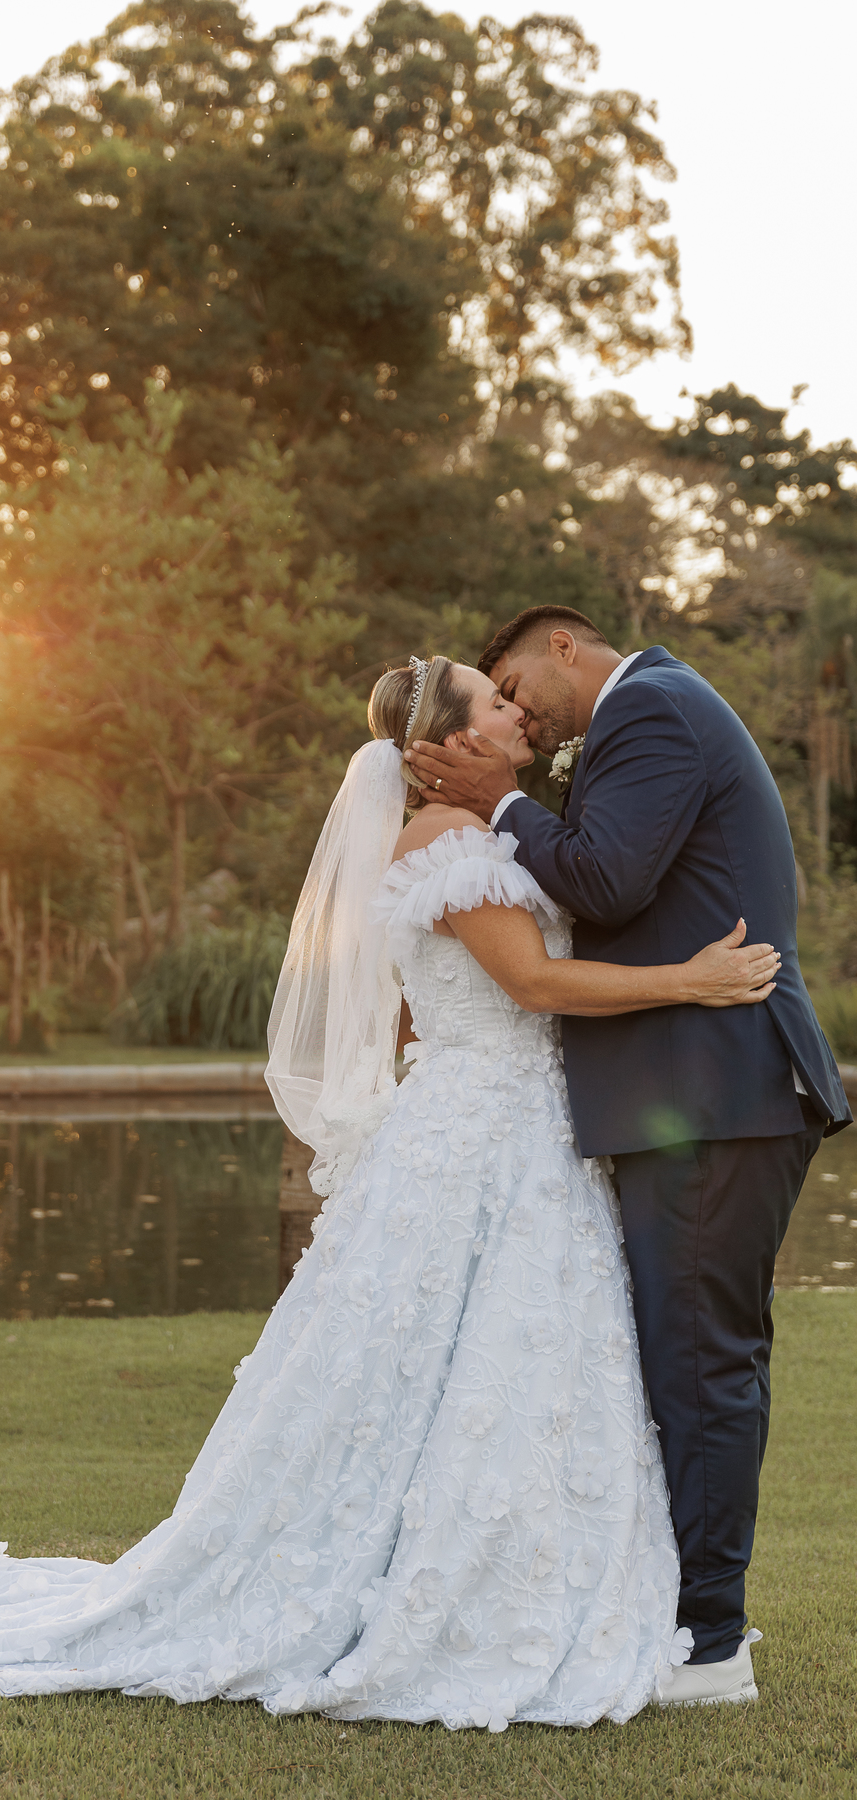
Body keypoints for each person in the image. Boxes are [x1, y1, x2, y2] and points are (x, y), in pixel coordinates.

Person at [0, 656, 782, 1729]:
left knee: (491, 1362)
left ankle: (532, 1573)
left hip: (499, 1124)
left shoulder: (467, 838)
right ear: (448, 744)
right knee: (482, 1353)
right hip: (493, 1133)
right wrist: (690, 981)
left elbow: (433, 1001)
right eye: (495, 703)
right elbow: (534, 983)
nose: (516, 714)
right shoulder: (451, 842)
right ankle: (461, 1592)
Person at [404, 608, 851, 1708]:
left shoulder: (650, 707)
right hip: (692, 1097)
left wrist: (500, 802)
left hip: (712, 1091)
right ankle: (675, 1611)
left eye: (517, 686)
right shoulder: (644, 715)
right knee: (684, 1356)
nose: (520, 713)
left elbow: (603, 883)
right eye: (497, 702)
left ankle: (711, 1643)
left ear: (565, 646)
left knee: (700, 1360)